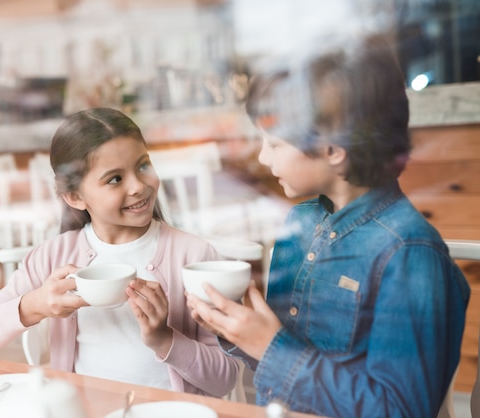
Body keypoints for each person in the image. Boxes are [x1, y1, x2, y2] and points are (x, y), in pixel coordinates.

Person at [186, 33, 470, 417]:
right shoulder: (300, 222)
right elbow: (277, 363)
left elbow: (401, 410)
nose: (263, 156)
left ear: (333, 151)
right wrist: (237, 331)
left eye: (274, 143)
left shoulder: (410, 254)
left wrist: (269, 346)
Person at [0, 107, 239, 397]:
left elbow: (225, 378)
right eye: (115, 179)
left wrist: (163, 339)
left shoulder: (194, 256)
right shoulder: (53, 257)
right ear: (75, 197)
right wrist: (36, 304)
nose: (138, 186)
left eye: (143, 166)